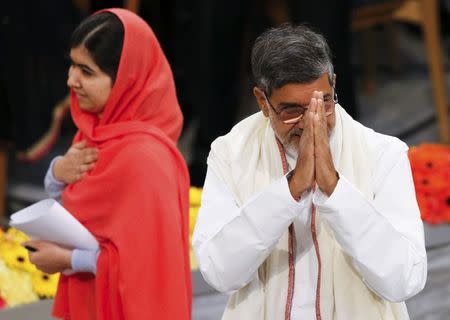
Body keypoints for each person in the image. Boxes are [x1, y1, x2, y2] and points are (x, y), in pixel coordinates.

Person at [192, 24, 427, 319]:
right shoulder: (231, 154)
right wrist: (290, 190)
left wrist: (335, 188)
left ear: (334, 85)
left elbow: (405, 280)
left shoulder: (382, 154)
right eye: (292, 110)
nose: (309, 122)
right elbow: (220, 272)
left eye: (322, 103)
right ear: (263, 101)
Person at [24, 9, 192, 320]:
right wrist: (58, 174)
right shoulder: (96, 131)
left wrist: (68, 259)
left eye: (87, 72)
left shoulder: (146, 159)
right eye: (72, 65)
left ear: (126, 79)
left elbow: (144, 271)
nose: (71, 80)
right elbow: (84, 215)